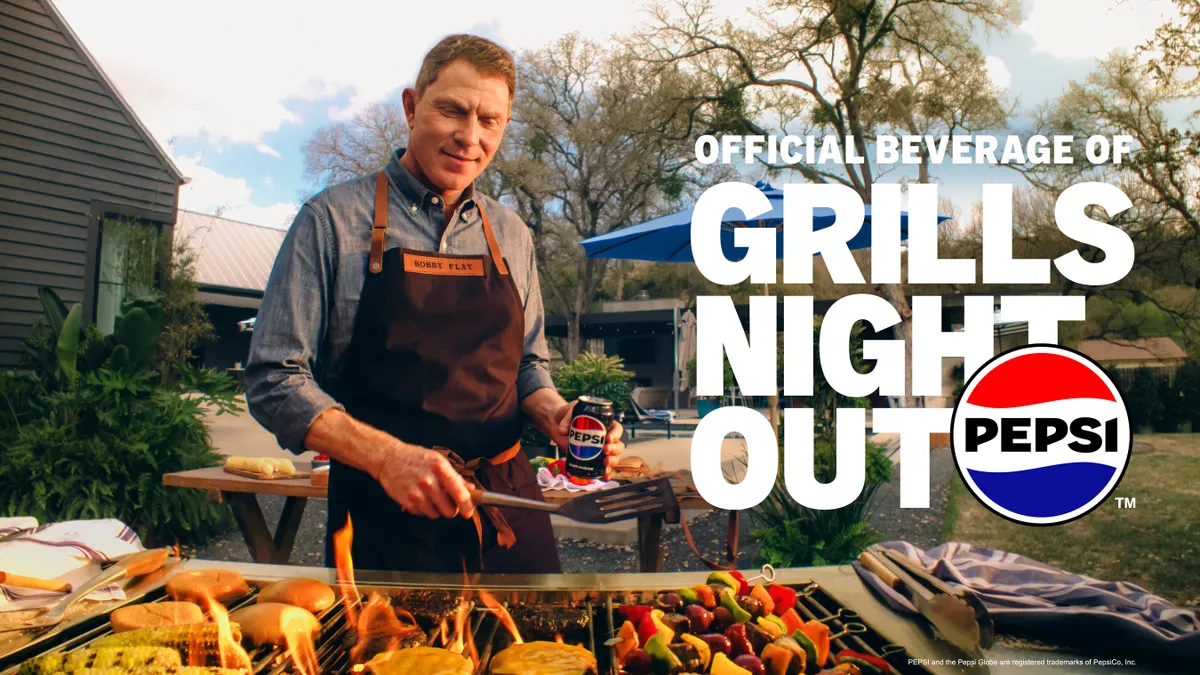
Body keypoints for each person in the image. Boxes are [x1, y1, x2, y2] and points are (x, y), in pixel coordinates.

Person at [243, 34, 623, 574]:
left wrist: (555, 413)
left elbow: (528, 366)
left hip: (507, 507)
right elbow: (274, 378)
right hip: (382, 514)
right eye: (453, 111)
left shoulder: (512, 234)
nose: (470, 137)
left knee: (543, 655)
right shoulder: (330, 221)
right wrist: (388, 457)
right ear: (411, 107)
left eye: (490, 120)